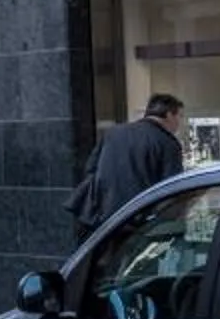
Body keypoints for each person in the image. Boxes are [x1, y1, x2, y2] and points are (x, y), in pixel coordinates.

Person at [70, 94, 187, 234]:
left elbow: (91, 169)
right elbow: (172, 191)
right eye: (180, 116)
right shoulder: (168, 143)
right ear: (169, 115)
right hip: (140, 224)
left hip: (104, 220)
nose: (179, 122)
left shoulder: (113, 133)